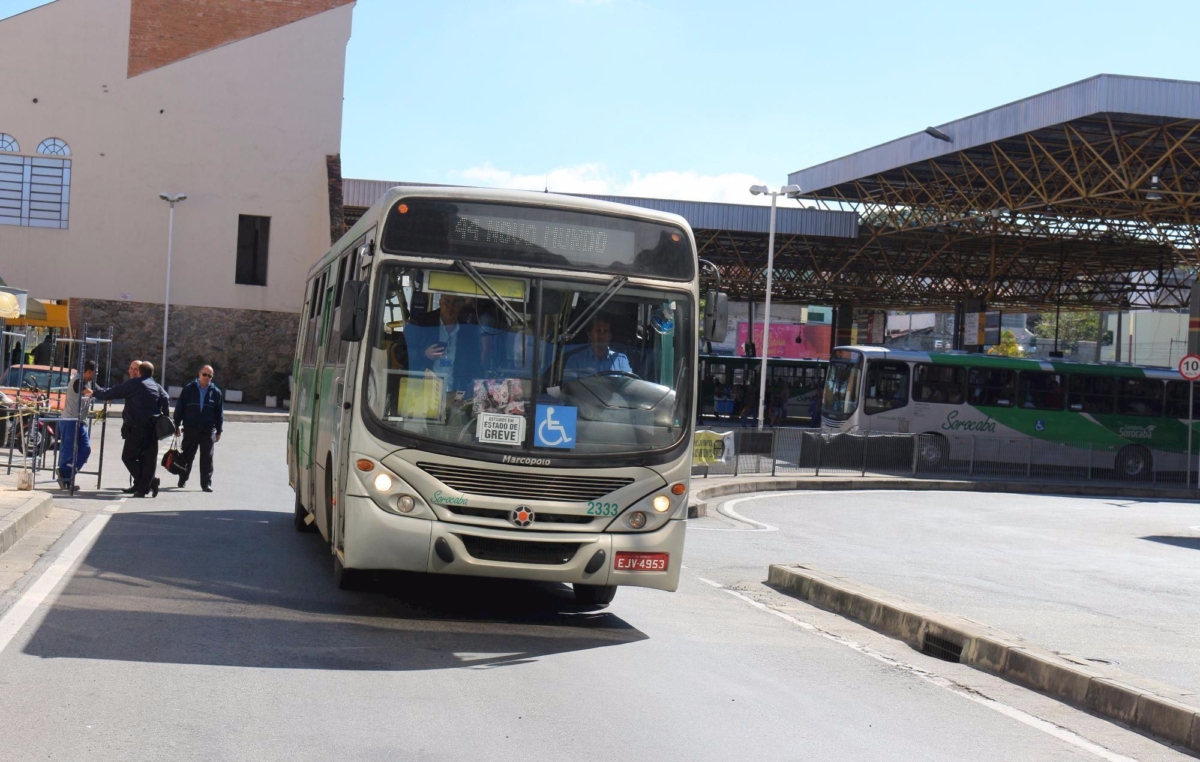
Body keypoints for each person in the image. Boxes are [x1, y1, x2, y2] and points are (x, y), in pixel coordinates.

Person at [92, 361, 169, 498]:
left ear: (140, 371)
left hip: (137, 428)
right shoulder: (156, 386)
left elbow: (114, 392)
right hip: (153, 428)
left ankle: (148, 484)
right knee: (148, 460)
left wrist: (95, 393)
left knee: (128, 457)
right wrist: (164, 416)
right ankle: (142, 486)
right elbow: (166, 398)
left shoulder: (135, 384)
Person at [406, 293, 483, 393]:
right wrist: (423, 354)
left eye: (456, 303)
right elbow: (399, 353)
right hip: (421, 393)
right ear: (440, 302)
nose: (450, 306)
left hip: (456, 395)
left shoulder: (469, 332)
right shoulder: (420, 325)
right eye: (446, 301)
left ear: (462, 305)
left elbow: (475, 364)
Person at [173, 364, 223, 492]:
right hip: (191, 428)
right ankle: (183, 478)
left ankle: (206, 483)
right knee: (187, 456)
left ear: (212, 377)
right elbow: (180, 408)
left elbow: (219, 413)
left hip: (208, 429)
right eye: (204, 374)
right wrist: (176, 425)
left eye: (209, 376)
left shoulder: (216, 392)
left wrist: (219, 431)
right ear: (199, 374)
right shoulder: (189, 389)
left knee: (207, 457)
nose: (206, 377)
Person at [57, 360, 96, 489]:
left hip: (79, 421)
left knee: (85, 449)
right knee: (68, 451)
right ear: (89, 371)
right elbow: (89, 392)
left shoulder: (87, 381)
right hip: (70, 420)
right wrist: (100, 394)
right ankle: (66, 479)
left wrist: (109, 394)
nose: (95, 375)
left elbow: (98, 390)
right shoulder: (77, 381)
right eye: (94, 372)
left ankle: (66, 472)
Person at [563, 316, 632, 381]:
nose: (602, 336)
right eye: (598, 331)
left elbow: (629, 386)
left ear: (610, 336)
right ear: (590, 335)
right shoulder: (575, 360)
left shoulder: (620, 360)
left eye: (605, 331)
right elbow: (568, 388)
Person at [117, 359, 144, 489]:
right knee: (135, 457)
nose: (132, 371)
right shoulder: (132, 383)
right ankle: (138, 484)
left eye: (136, 369)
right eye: (131, 368)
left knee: (128, 457)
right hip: (131, 426)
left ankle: (147, 481)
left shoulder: (140, 384)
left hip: (139, 428)